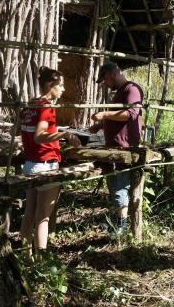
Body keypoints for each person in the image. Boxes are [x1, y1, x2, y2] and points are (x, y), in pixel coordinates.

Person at [20, 66, 80, 258]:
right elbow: (39, 136)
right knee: (43, 217)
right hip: (45, 164)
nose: (63, 89)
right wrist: (65, 134)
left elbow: (28, 131)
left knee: (29, 213)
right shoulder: (46, 107)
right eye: (60, 85)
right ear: (49, 85)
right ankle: (41, 261)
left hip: (30, 164)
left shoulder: (30, 105)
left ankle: (24, 256)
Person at [90, 61, 144, 230]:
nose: (105, 84)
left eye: (105, 79)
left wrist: (104, 114)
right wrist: (101, 125)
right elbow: (117, 117)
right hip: (113, 146)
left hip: (125, 147)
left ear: (113, 74)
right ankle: (118, 221)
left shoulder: (131, 89)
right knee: (114, 185)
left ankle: (122, 226)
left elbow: (131, 114)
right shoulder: (121, 91)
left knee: (121, 186)